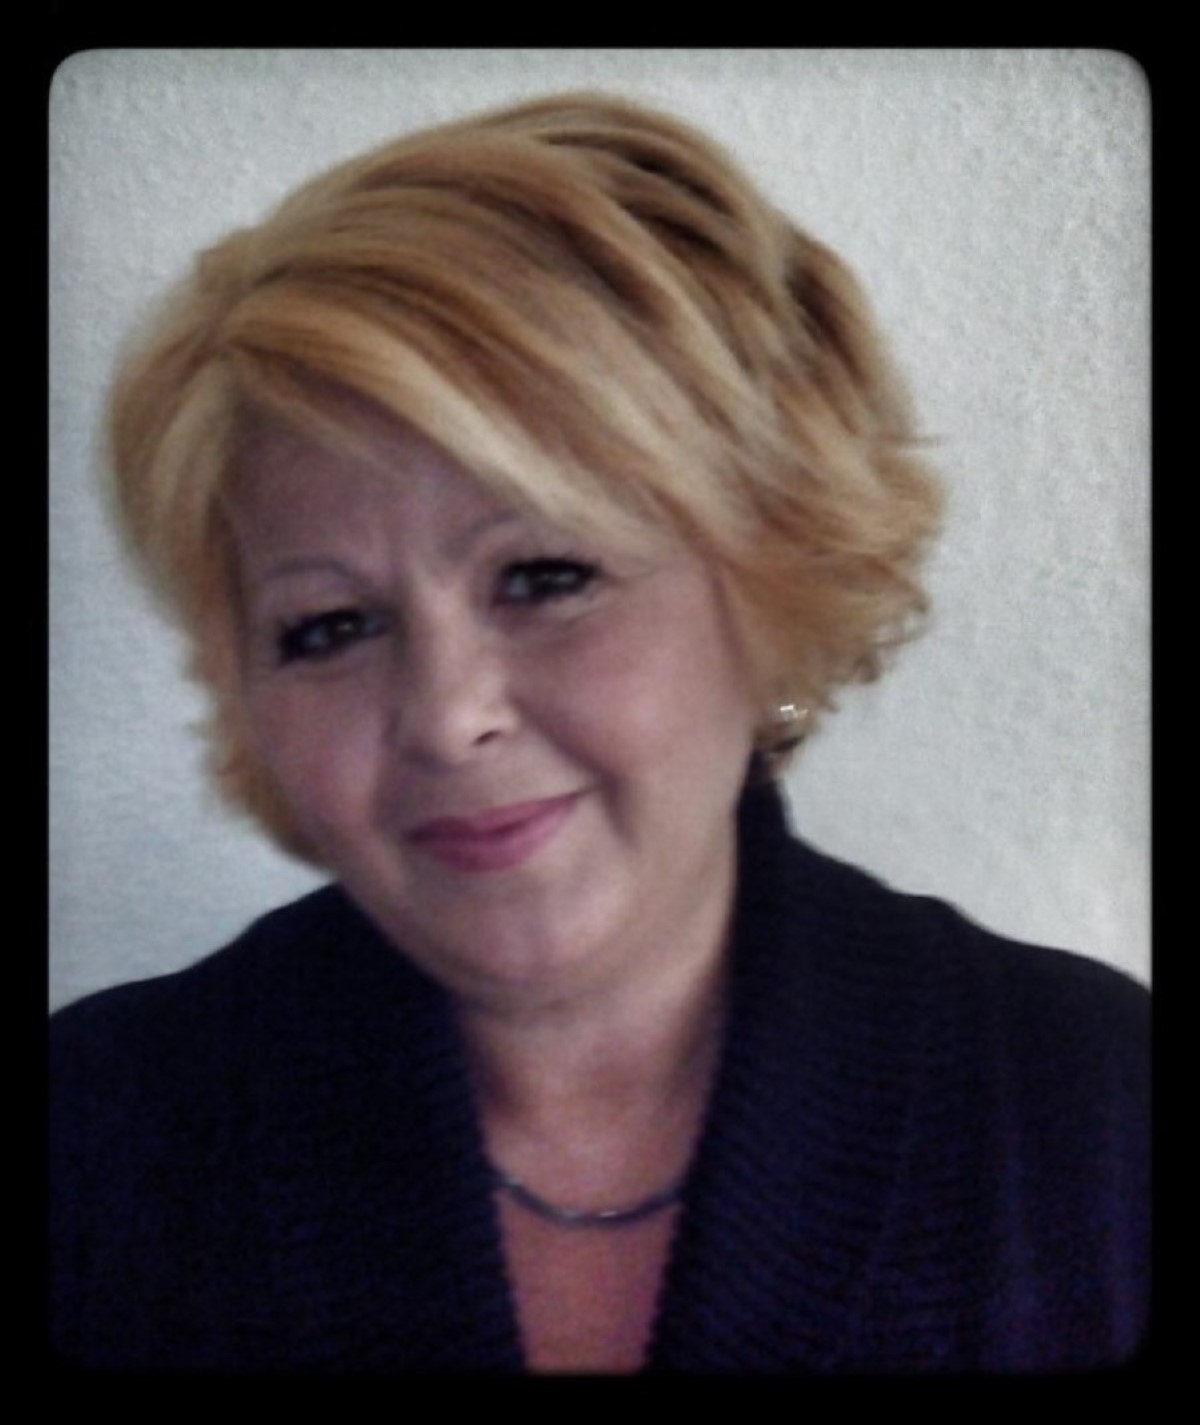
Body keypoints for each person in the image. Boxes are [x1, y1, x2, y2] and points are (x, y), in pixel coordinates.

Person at [49, 92, 1148, 1375]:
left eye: (544, 575)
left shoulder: (1095, 1110)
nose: (449, 717)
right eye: (331, 626)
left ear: (772, 586)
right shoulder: (92, 1136)